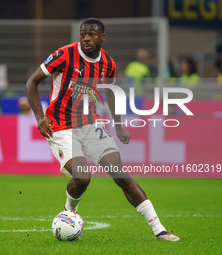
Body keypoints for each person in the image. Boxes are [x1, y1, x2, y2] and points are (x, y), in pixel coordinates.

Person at [25, 18, 180, 241]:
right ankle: (70, 209)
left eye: (92, 34)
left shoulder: (108, 63)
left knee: (120, 174)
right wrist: (40, 117)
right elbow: (31, 83)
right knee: (82, 177)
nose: (86, 38)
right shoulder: (64, 55)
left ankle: (160, 230)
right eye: (83, 34)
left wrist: (119, 126)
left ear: (102, 38)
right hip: (60, 127)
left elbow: (110, 92)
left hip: (90, 124)